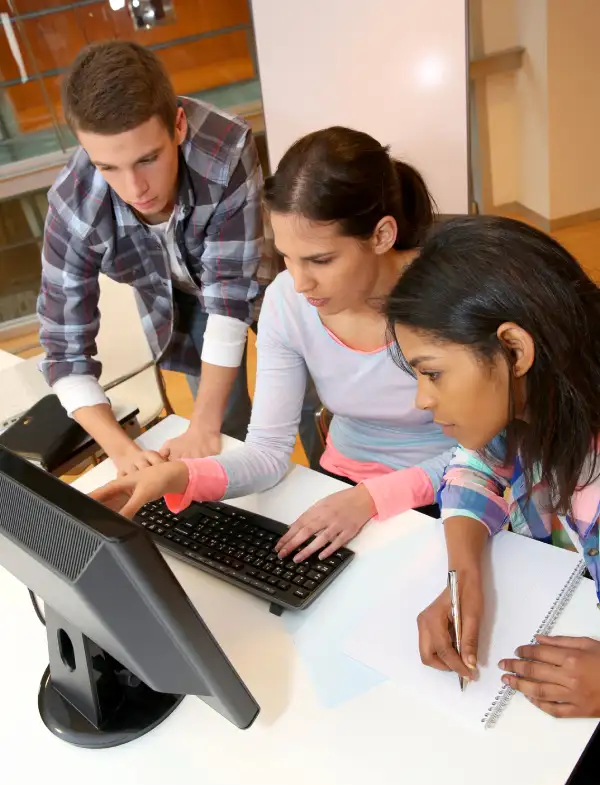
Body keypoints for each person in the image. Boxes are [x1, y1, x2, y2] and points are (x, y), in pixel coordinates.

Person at [90, 126, 457, 562]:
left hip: (447, 488)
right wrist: (177, 477)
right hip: (340, 484)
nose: (300, 282)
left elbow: (493, 450)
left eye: (320, 260)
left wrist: (372, 499)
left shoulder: (452, 298)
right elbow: (267, 452)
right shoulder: (288, 298)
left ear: (381, 236)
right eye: (286, 256)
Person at [37, 41, 320, 477]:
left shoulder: (224, 148)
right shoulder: (73, 206)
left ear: (179, 124)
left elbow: (229, 294)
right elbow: (64, 349)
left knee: (301, 407)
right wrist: (122, 450)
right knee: (221, 427)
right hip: (179, 299)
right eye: (108, 168)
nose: (135, 189)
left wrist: (202, 423)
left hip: (263, 278)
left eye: (148, 159)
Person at [385, 214, 600, 719]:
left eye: (433, 373)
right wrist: (465, 575)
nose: (422, 399)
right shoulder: (535, 403)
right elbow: (473, 470)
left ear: (515, 348)